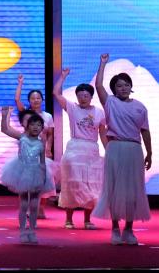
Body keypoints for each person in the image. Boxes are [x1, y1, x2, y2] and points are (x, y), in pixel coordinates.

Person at [92, 53, 152, 245]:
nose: (124, 88)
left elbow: (145, 130)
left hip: (134, 150)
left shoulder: (140, 107)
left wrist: (149, 152)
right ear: (114, 90)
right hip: (115, 148)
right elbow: (98, 86)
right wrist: (103, 63)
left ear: (131, 87)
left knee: (133, 190)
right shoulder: (110, 102)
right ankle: (115, 229)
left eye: (126, 85)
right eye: (119, 86)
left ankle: (129, 230)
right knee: (115, 189)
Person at [53, 68, 107, 230]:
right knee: (72, 184)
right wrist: (63, 76)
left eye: (86, 95)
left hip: (92, 150)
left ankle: (87, 220)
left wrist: (109, 150)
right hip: (75, 149)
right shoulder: (72, 108)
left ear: (91, 96)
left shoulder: (99, 112)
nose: (83, 98)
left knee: (91, 185)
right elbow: (56, 93)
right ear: (76, 96)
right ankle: (68, 219)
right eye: (80, 95)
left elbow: (102, 133)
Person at [0, 107, 54, 244]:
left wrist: (43, 177)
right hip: (22, 172)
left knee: (35, 205)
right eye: (32, 124)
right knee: (24, 205)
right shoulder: (22, 137)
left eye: (38, 125)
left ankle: (32, 231)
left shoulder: (41, 142)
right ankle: (23, 231)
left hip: (36, 173)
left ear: (42, 127)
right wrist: (5, 115)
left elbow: (42, 162)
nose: (35, 127)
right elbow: (5, 129)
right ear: (27, 125)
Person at [16, 74, 56, 217]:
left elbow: (50, 134)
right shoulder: (26, 114)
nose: (36, 100)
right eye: (33, 98)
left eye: (38, 98)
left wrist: (49, 148)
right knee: (28, 180)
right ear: (29, 101)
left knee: (45, 179)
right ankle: (28, 208)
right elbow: (17, 100)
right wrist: (20, 83)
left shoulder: (48, 116)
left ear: (42, 100)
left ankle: (40, 208)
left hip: (42, 151)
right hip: (28, 151)